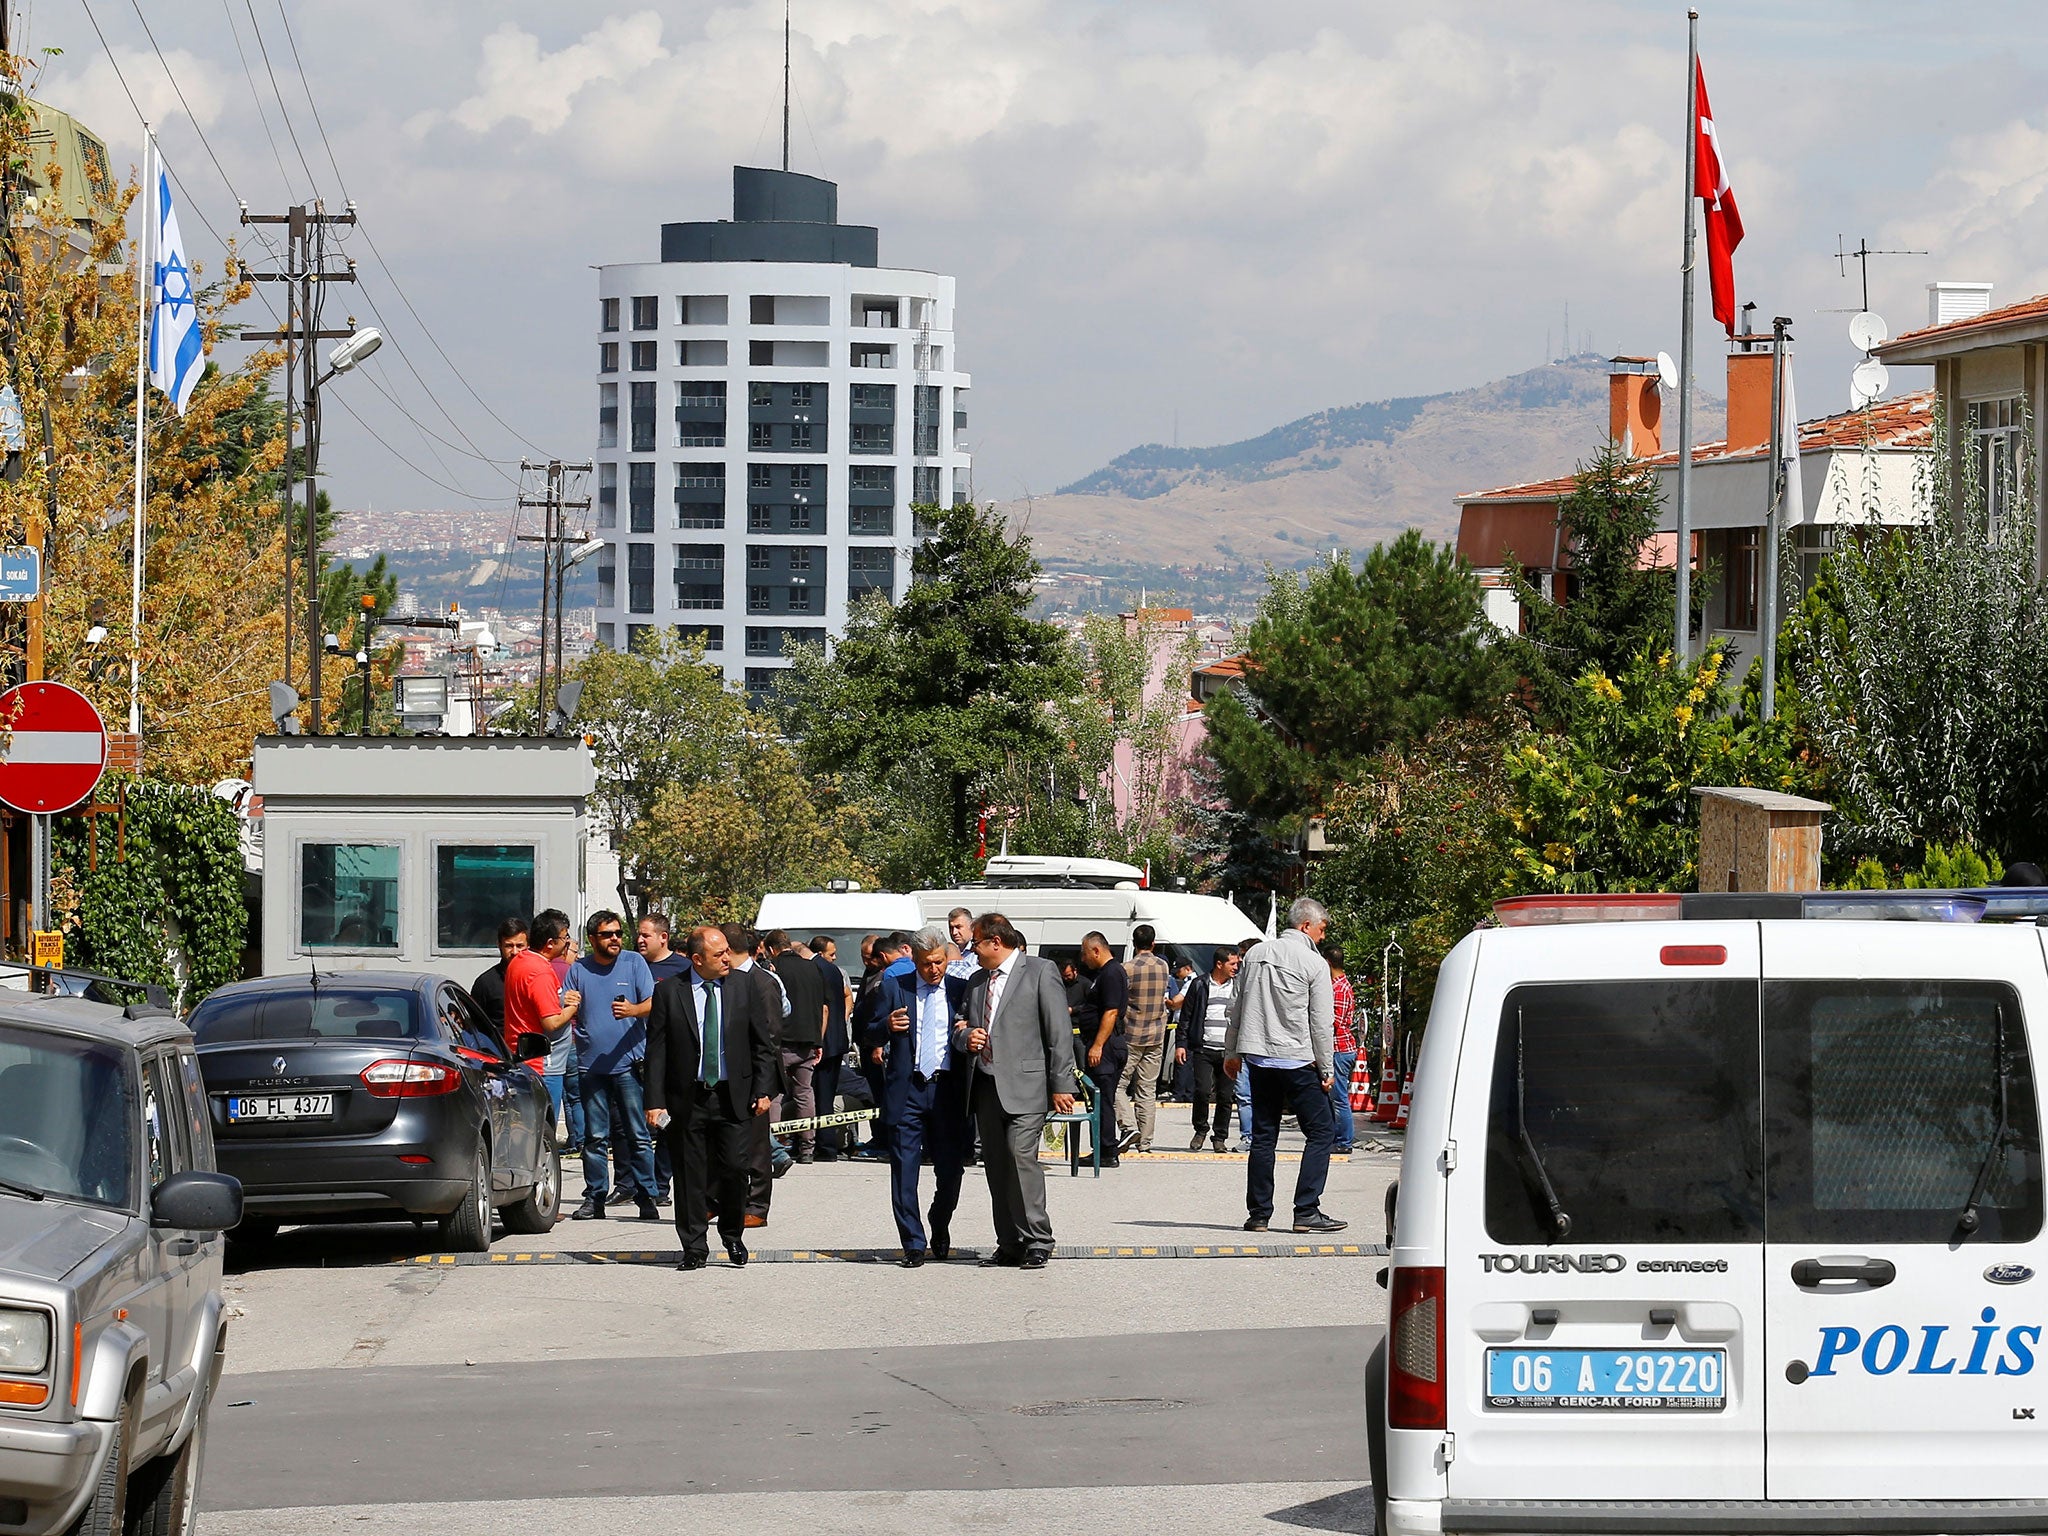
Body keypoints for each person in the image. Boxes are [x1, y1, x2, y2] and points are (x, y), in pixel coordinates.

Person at [644, 925, 779, 1269]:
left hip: (733, 1095)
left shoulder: (744, 985)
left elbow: (762, 1043)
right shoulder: (670, 992)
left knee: (735, 1168)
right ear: (697, 959)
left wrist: (764, 1089)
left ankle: (732, 1235)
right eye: (718, 954)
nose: (727, 958)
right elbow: (656, 1050)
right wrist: (654, 1100)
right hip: (686, 1097)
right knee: (689, 1174)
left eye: (727, 952)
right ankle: (694, 1247)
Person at [955, 913, 1074, 1269]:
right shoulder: (977, 980)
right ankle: (1008, 1243)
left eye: (975, 942)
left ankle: (1037, 1239)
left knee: (1020, 1157)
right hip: (987, 1085)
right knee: (995, 1165)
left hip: (1028, 1086)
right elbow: (961, 1022)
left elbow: (1059, 1033)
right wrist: (965, 1037)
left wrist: (1062, 1085)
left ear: (995, 941)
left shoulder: (1040, 971)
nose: (971, 949)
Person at [1225, 897, 1346, 1235]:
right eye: (1322, 929)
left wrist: (1231, 1052)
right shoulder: (1313, 962)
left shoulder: (1254, 955)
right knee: (1322, 1131)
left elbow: (1236, 1007)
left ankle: (1259, 1214)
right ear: (1306, 925)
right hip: (1297, 1059)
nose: (1323, 937)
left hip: (1259, 1059)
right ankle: (1306, 1209)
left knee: (1264, 1136)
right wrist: (1326, 1069)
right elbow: (1321, 1023)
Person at [867, 926, 970, 1265]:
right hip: (907, 1089)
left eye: (939, 962)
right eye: (927, 964)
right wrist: (885, 1028)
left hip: (947, 1091)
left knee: (951, 1170)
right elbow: (863, 1029)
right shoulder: (896, 987)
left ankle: (940, 1222)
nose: (933, 970)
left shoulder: (960, 990)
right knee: (904, 1170)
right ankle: (913, 1241)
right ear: (915, 959)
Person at [563, 910, 659, 1222]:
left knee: (638, 1135)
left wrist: (633, 1010)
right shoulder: (578, 969)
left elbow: (655, 1003)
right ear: (593, 939)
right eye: (607, 934)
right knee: (595, 1138)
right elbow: (567, 1005)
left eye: (618, 932)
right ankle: (595, 1199)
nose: (615, 938)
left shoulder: (634, 962)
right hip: (591, 1068)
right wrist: (567, 1003)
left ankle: (646, 1196)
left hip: (629, 1065)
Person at [636, 913, 690, 1202]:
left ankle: (660, 1185)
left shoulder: (682, 969)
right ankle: (634, 1184)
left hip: (670, 1060)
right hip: (632, 1058)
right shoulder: (631, 965)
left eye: (646, 935)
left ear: (663, 937)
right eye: (639, 935)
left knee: (667, 1126)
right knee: (633, 1128)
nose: (640, 940)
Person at [851, 932, 914, 1160]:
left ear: (883, 955)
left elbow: (886, 1013)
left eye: (872, 957)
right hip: (890, 1044)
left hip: (886, 1045)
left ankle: (887, 1142)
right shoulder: (906, 968)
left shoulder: (891, 974)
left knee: (886, 1095)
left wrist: (878, 1044)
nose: (869, 962)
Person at [768, 930, 827, 1163]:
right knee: (805, 1092)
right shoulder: (812, 967)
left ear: (772, 949)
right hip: (808, 1040)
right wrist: (818, 1040)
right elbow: (821, 1005)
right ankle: (807, 1148)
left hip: (781, 1041)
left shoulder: (773, 969)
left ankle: (774, 1147)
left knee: (774, 1094)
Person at [1175, 946, 1241, 1152]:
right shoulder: (1199, 985)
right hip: (1203, 1048)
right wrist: (1181, 1045)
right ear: (1219, 964)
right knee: (1202, 1091)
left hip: (1228, 1051)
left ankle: (1220, 1136)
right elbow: (1185, 1018)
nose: (1236, 967)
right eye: (1232, 963)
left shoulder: (1237, 986)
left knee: (1225, 1096)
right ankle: (1200, 1129)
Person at [1071, 933, 1128, 1168]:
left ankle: (1107, 1151)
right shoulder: (1103, 974)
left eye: (1085, 953)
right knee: (1097, 1100)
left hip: (1105, 1046)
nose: (1083, 960)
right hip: (1101, 1044)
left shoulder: (1112, 973)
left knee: (1102, 1099)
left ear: (1096, 950)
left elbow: (1111, 1012)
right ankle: (1102, 1147)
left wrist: (1097, 1045)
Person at [502, 910, 580, 1084]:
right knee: (547, 1111)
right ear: (550, 943)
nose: (567, 942)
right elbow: (551, 1022)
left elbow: (530, 1004)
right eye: (565, 937)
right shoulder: (540, 971)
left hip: (523, 1058)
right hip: (542, 1066)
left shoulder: (520, 960)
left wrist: (560, 1000)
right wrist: (573, 1007)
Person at [1116, 924, 1172, 1154]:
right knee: (1147, 1089)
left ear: (1133, 942)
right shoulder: (1163, 966)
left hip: (1132, 1033)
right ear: (1153, 942)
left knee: (1118, 1086)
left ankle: (1129, 1126)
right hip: (1156, 1033)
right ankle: (1145, 1141)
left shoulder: (1127, 968)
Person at [810, 935, 852, 1160]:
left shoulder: (817, 969)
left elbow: (823, 1008)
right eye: (831, 953)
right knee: (825, 1095)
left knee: (819, 1097)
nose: (834, 958)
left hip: (824, 1043)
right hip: (836, 1042)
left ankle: (824, 1146)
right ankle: (826, 1145)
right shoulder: (833, 971)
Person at [1324, 940, 1358, 1157]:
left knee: (1339, 1097)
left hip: (1340, 1048)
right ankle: (1337, 1138)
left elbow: (1334, 1022)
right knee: (1334, 1096)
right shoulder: (1339, 985)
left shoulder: (1339, 988)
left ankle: (1344, 1141)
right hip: (1339, 1047)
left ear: (1328, 963)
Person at [945, 906, 980, 981]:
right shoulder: (952, 951)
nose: (954, 932)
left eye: (958, 927)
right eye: (951, 928)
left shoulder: (978, 952)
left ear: (971, 926)